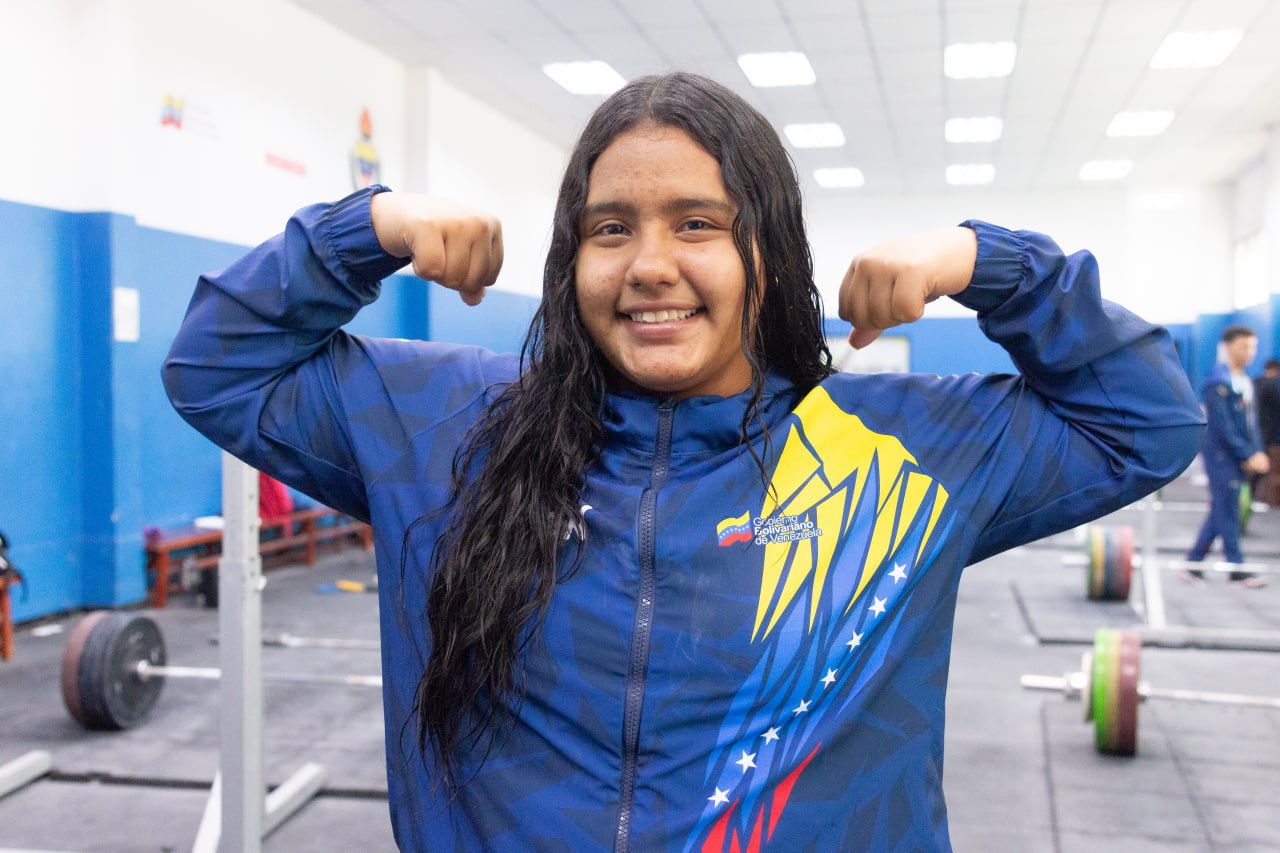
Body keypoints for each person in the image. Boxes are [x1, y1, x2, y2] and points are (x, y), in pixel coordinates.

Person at [162, 73, 1203, 851]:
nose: (650, 264)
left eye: (697, 224)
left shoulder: (903, 452)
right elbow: (215, 366)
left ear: (771, 257)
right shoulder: (445, 425)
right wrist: (368, 228)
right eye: (609, 229)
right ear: (571, 261)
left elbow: (1147, 420)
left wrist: (987, 264)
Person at [1182, 326, 1270, 588]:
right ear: (1229, 346)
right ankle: (1236, 568)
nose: (1250, 352)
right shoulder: (1217, 381)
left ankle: (1193, 563)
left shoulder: (1245, 380)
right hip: (1221, 457)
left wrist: (1258, 452)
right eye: (1244, 346)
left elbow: (1250, 423)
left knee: (1222, 509)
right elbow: (1223, 426)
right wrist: (1246, 454)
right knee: (1228, 511)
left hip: (1239, 457)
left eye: (1253, 347)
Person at [1254, 358, 1280, 506]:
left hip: (1257, 429)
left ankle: (1255, 495)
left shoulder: (1255, 382)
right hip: (1268, 431)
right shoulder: (1271, 386)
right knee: (1265, 464)